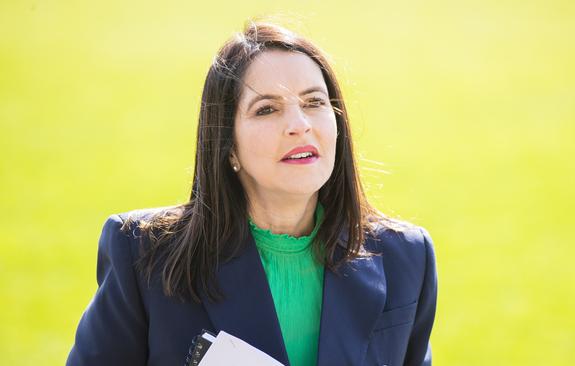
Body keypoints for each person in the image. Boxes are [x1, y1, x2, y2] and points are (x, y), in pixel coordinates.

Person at [67, 20, 437, 366]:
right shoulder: (144, 254)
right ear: (228, 146)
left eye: (314, 102)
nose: (299, 125)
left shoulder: (406, 255)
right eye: (266, 110)